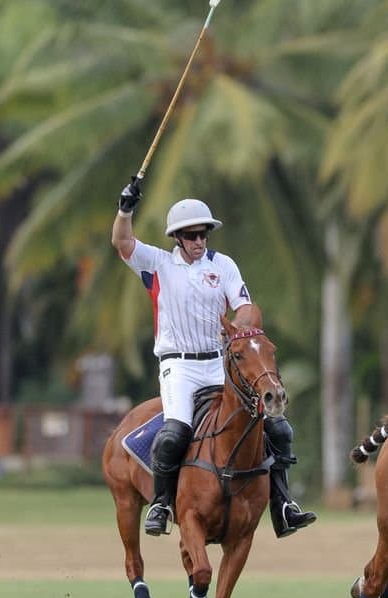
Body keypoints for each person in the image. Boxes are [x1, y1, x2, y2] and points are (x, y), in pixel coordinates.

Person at [111, 177, 317, 539]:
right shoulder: (157, 264)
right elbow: (122, 241)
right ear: (177, 237)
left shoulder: (223, 265)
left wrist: (240, 328)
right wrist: (125, 209)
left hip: (220, 364)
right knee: (174, 433)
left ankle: (283, 505)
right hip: (179, 366)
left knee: (278, 428)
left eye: (204, 234)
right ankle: (161, 502)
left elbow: (247, 307)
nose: (199, 241)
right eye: (191, 236)